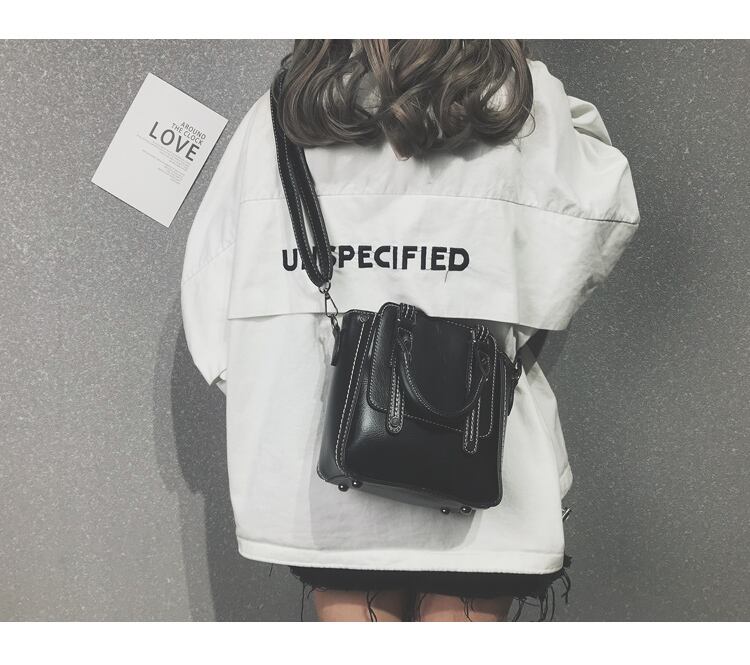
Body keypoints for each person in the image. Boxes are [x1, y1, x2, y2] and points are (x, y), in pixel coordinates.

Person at [180, 39, 640, 621]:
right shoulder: (517, 103)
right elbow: (598, 217)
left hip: (327, 479)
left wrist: (290, 393)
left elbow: (213, 287)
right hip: (476, 451)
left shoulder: (289, 108)